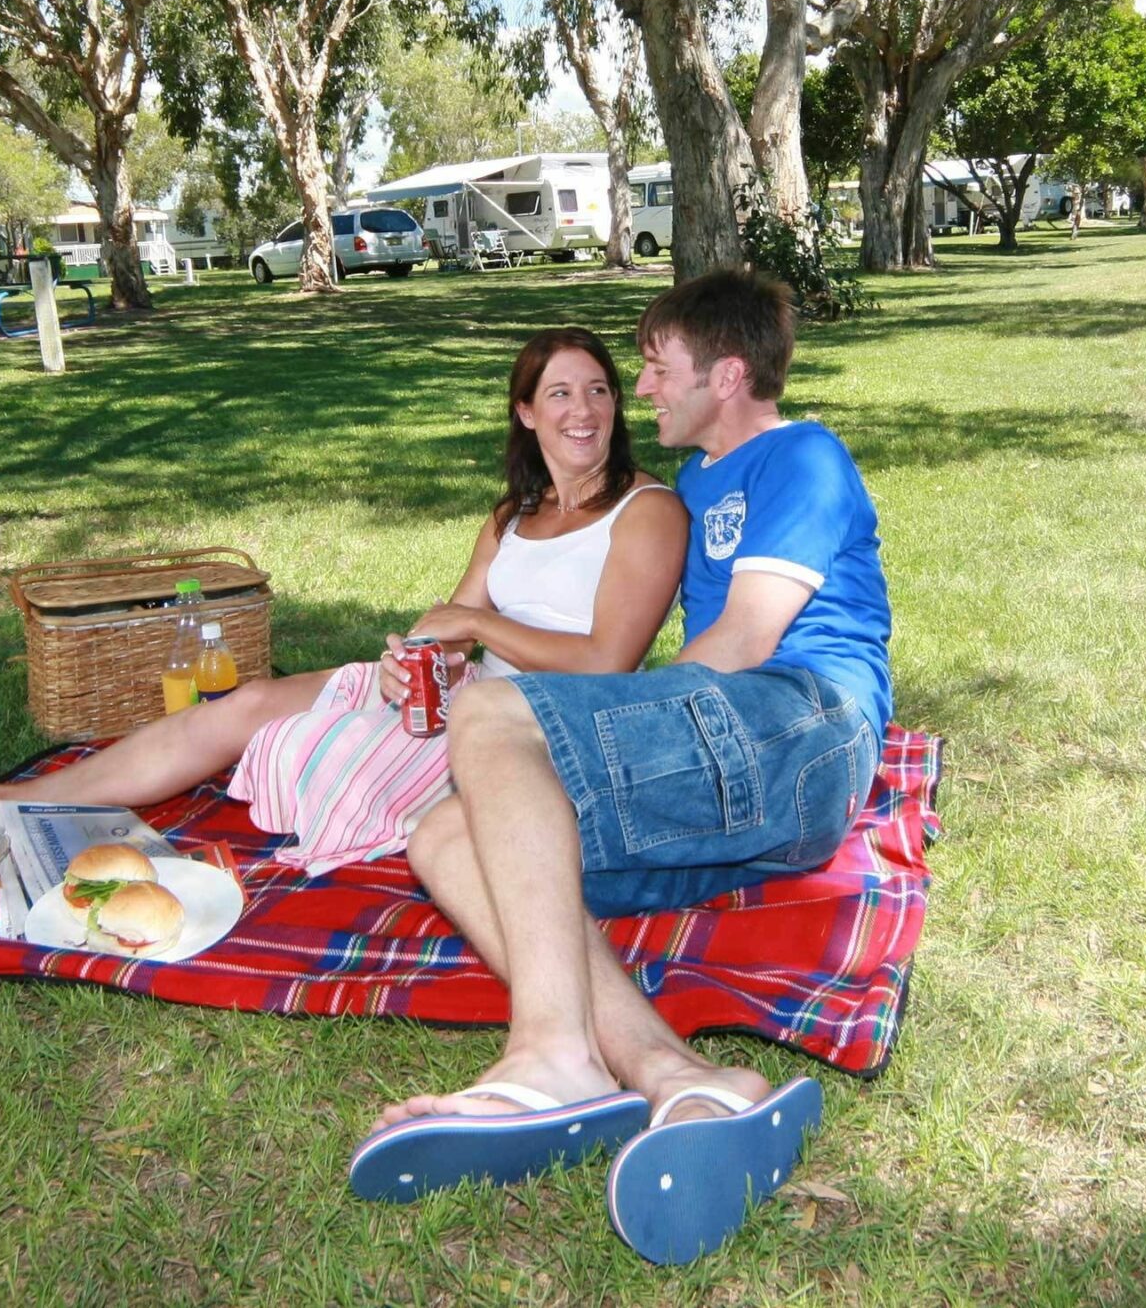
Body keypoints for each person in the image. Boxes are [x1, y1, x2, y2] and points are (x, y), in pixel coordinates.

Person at [350, 269, 893, 1267]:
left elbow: (742, 640)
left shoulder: (800, 457)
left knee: (494, 719)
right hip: (743, 764)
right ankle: (672, 1075)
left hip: (808, 727)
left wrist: (583, 717)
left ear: (726, 376)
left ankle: (551, 1050)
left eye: (652, 368)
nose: (638, 390)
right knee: (445, 831)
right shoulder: (698, 484)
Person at [0, 328, 687, 877]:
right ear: (526, 411)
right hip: (473, 689)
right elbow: (448, 633)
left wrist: (478, 629)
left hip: (547, 721)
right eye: (560, 392)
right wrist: (413, 662)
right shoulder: (511, 515)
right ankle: (0, 801)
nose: (582, 410)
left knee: (325, 763)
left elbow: (608, 661)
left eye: (598, 390)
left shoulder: (646, 510)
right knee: (249, 702)